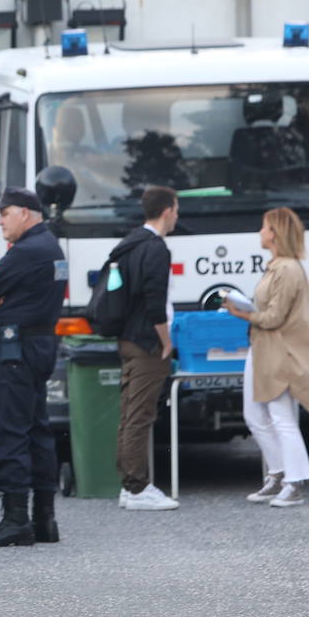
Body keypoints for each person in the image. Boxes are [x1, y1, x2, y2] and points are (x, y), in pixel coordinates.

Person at [0, 187, 68, 547]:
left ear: (25, 213)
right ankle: (45, 519)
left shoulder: (28, 251)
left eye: (4, 213)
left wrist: (0, 298)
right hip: (37, 346)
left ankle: (15, 520)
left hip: (14, 350)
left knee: (9, 432)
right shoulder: (51, 246)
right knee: (38, 430)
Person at [223, 207, 309, 507]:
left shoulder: (286, 269)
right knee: (255, 414)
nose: (260, 232)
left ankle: (294, 481)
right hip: (264, 348)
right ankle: (279, 472)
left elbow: (274, 316)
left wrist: (241, 313)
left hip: (281, 352)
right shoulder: (279, 266)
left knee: (280, 416)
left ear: (275, 234)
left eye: (264, 227)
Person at [111, 185, 181, 511]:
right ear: (167, 210)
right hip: (146, 342)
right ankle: (138, 488)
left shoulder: (129, 244)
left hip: (127, 337)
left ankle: (129, 485)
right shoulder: (156, 248)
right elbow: (155, 302)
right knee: (141, 416)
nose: (177, 215)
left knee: (129, 414)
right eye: (177, 209)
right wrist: (166, 342)